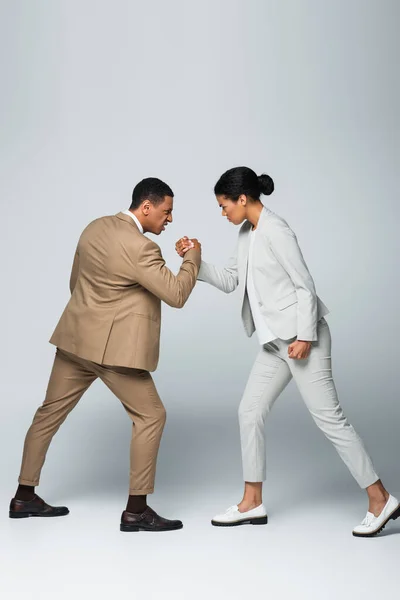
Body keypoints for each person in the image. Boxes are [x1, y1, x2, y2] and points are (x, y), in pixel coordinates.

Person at [176, 166, 399, 537]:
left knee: (330, 419)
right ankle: (252, 502)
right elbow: (232, 280)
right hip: (275, 345)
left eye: (223, 205)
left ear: (242, 199)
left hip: (301, 341)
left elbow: (304, 286)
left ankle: (381, 499)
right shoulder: (246, 233)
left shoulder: (277, 230)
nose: (222, 212)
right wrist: (194, 258)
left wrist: (306, 336)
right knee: (249, 412)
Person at [10, 177, 201, 533]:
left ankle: (24, 496)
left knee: (47, 414)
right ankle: (137, 510)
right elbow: (176, 294)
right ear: (147, 207)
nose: (169, 219)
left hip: (74, 340)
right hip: (113, 353)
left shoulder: (93, 228)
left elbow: (75, 283)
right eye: (167, 211)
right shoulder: (142, 247)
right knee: (151, 415)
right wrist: (192, 257)